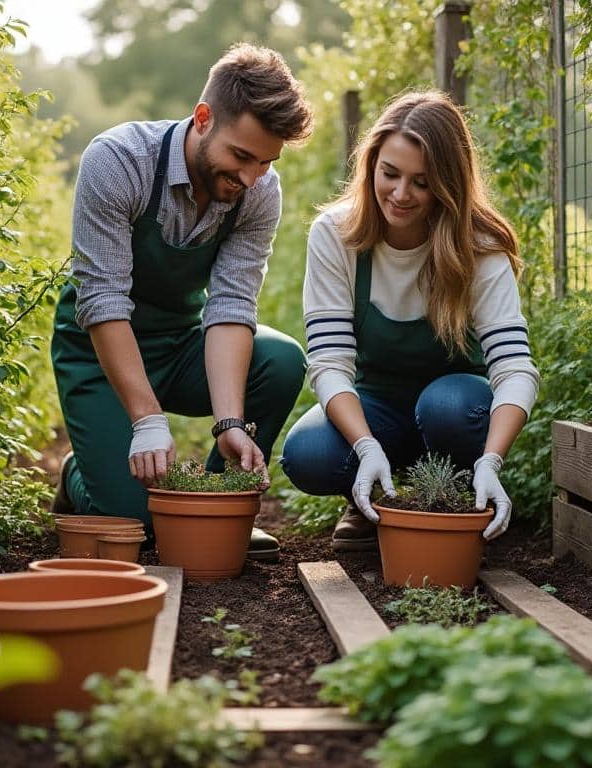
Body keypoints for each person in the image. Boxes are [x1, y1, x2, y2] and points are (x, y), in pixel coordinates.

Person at [51, 44, 313, 560]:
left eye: (266, 161)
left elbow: (231, 307)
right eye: (241, 156)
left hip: (178, 345)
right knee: (136, 524)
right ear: (202, 118)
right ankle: (81, 472)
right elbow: (102, 299)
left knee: (281, 361)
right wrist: (147, 422)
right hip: (99, 356)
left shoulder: (259, 190)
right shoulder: (118, 161)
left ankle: (215, 506)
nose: (251, 177)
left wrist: (230, 424)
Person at [280, 90, 539, 551]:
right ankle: (373, 495)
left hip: (453, 409)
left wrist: (491, 461)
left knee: (445, 406)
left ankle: (464, 491)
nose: (400, 195)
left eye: (422, 182)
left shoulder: (478, 246)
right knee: (308, 454)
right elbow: (329, 362)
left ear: (448, 184)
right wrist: (364, 445)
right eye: (390, 174)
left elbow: (514, 368)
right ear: (371, 165)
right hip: (374, 407)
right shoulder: (336, 236)